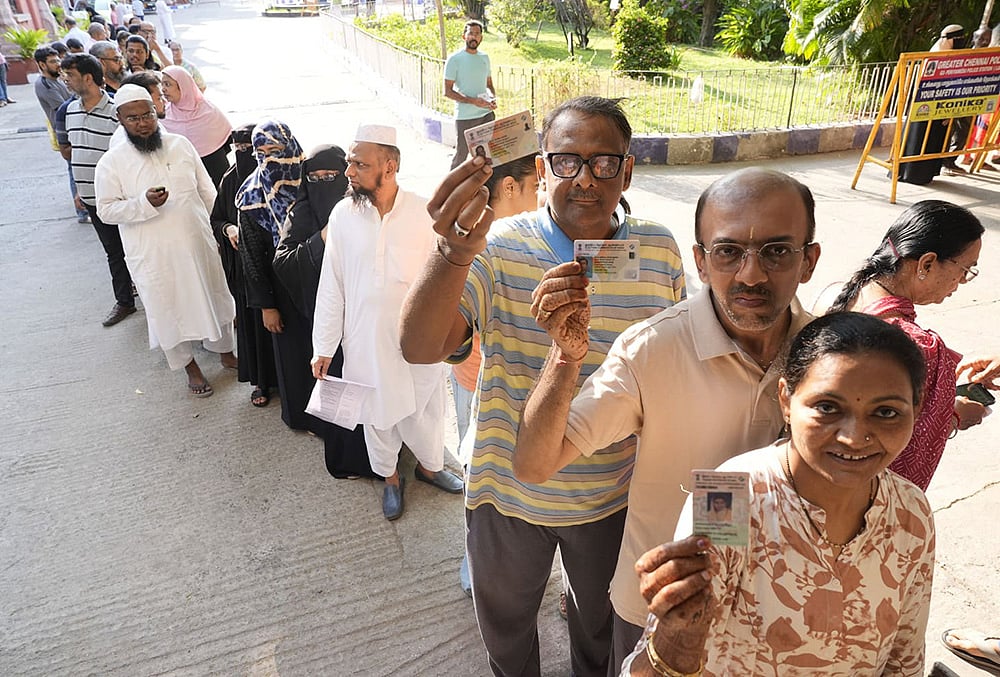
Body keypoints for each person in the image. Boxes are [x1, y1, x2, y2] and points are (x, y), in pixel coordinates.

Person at [399, 96, 686, 677]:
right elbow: (420, 346)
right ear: (541, 169)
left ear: (628, 170)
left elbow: (670, 368)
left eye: (604, 162)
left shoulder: (657, 251)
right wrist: (453, 250)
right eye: (566, 161)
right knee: (506, 628)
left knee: (599, 628)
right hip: (508, 493)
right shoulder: (498, 246)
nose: (585, 178)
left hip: (610, 496)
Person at [514, 166, 820, 674]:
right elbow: (534, 464)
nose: (751, 275)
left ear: (808, 260)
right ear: (700, 261)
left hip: (778, 611)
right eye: (728, 252)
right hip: (658, 610)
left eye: (776, 251)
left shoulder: (830, 358)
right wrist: (564, 357)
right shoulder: (651, 350)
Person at [621, 312, 935, 676]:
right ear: (785, 399)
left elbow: (904, 658)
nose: (853, 437)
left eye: (886, 412)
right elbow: (668, 648)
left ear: (916, 409)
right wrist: (677, 639)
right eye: (827, 408)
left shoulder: (911, 512)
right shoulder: (727, 494)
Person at [313, 123, 463, 521]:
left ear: (390, 167)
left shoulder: (424, 213)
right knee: (376, 415)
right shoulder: (342, 216)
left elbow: (446, 278)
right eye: (350, 163)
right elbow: (332, 283)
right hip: (365, 340)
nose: (349, 172)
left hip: (417, 340)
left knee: (425, 408)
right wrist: (323, 346)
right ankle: (390, 478)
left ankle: (430, 467)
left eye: (360, 165)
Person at [826, 200, 988, 490]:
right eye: (966, 269)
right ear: (927, 263)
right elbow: (906, 446)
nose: (962, 281)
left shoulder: (835, 295)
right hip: (864, 497)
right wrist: (954, 416)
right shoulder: (918, 346)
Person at [94, 85, 237, 396]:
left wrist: (219, 229)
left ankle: (226, 352)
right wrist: (143, 203)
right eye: (133, 118)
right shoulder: (111, 162)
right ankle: (190, 367)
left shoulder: (180, 144)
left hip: (196, 242)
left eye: (147, 115)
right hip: (153, 253)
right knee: (168, 308)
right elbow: (105, 210)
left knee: (214, 295)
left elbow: (207, 190)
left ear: (156, 111)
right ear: (120, 119)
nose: (143, 123)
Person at [272, 144, 374, 479]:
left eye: (331, 176)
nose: (322, 183)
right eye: (315, 178)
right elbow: (284, 261)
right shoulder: (302, 212)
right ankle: (349, 461)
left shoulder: (363, 207)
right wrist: (323, 238)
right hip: (328, 318)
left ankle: (386, 459)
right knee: (340, 391)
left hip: (364, 313)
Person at [61, 53, 137, 327]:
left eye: (70, 75)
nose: (66, 81)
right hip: (91, 199)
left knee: (135, 249)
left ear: (88, 78)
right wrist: (80, 191)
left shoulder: (117, 112)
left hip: (120, 199)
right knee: (113, 252)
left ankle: (152, 296)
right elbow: (77, 152)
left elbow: (129, 157)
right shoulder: (70, 110)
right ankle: (125, 301)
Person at [235, 120, 304, 415]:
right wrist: (267, 306)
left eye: (275, 151)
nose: (269, 160)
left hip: (314, 286)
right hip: (278, 290)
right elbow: (251, 258)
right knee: (291, 355)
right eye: (261, 153)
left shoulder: (311, 182)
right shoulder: (250, 197)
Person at [210, 123, 277, 408]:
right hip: (246, 268)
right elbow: (216, 219)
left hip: (276, 265)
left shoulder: (279, 175)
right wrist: (230, 230)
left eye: (249, 148)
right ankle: (262, 380)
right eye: (238, 148)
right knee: (254, 326)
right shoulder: (230, 179)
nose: (244, 153)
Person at [899, 25, 968, 185]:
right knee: (921, 138)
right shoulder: (938, 55)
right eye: (959, 39)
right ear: (950, 40)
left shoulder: (948, 54)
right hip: (928, 105)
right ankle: (914, 174)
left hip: (939, 105)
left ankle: (926, 173)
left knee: (933, 139)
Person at [33, 46, 84, 222]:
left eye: (58, 60)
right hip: (65, 131)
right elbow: (66, 106)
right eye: (53, 61)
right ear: (42, 65)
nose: (58, 64)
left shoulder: (58, 80)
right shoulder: (44, 85)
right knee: (74, 169)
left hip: (73, 127)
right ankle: (82, 212)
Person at [161, 66, 231, 186]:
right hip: (183, 176)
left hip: (215, 170)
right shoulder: (164, 115)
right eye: (162, 84)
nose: (163, 89)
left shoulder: (208, 111)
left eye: (167, 84)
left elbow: (225, 139)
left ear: (183, 86)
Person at [444, 20, 497, 170]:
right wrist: (473, 101)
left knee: (486, 154)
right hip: (465, 117)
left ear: (481, 37)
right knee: (462, 155)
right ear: (464, 36)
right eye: (471, 33)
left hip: (486, 114)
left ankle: (486, 183)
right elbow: (447, 91)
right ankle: (451, 184)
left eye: (477, 34)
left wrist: (493, 98)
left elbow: (489, 84)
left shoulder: (484, 58)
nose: (474, 37)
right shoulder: (454, 59)